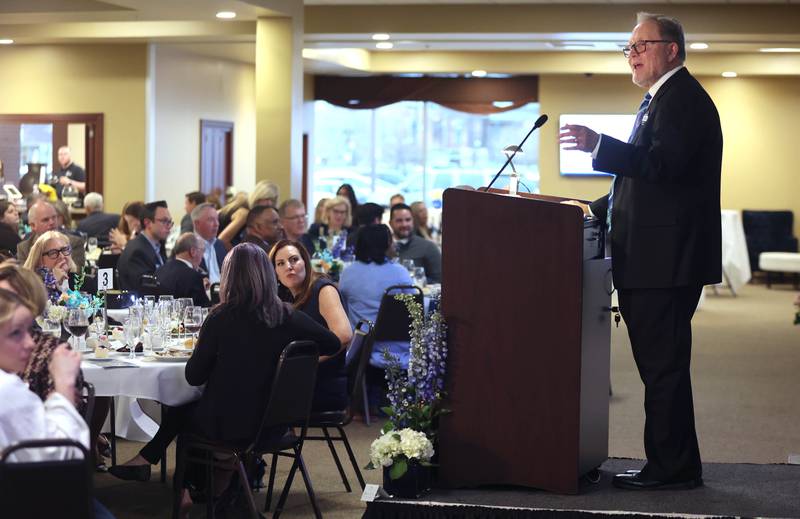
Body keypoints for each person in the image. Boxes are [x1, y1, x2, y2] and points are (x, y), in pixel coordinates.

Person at [559, 12, 721, 491]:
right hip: (654, 259)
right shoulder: (660, 100)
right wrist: (585, 207)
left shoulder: (682, 99)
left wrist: (599, 145)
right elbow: (640, 181)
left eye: (640, 46)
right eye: (627, 48)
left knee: (663, 368)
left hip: (664, 262)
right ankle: (674, 464)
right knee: (660, 367)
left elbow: (663, 166)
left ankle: (672, 469)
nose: (631, 54)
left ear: (671, 49)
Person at [109, 243, 339, 508]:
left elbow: (194, 376)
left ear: (229, 277)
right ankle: (213, 489)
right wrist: (287, 365)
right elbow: (332, 343)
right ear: (267, 275)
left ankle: (186, 489)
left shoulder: (220, 318)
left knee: (183, 409)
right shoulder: (288, 316)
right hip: (277, 422)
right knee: (192, 409)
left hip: (231, 427)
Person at [270, 240, 353, 411]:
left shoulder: (323, 290)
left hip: (323, 383)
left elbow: (344, 336)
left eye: (294, 260)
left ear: (305, 263)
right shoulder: (284, 296)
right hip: (301, 380)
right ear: (275, 272)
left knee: (258, 395)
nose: (289, 267)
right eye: (280, 263)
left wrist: (302, 365)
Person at [338, 224, 413, 411]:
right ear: (385, 244)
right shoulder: (400, 272)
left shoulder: (348, 273)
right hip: (399, 343)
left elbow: (344, 306)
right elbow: (412, 308)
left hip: (362, 345)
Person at [117, 201, 171, 291]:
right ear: (147, 223)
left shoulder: (158, 246)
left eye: (170, 222)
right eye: (164, 221)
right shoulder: (137, 251)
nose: (169, 226)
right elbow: (148, 289)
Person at [17, 201, 86, 272]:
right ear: (33, 226)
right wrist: (52, 279)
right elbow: (24, 278)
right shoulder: (24, 248)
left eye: (54, 217)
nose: (52, 222)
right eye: (45, 220)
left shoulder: (74, 242)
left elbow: (78, 276)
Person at [389, 203, 442, 284]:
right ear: (391, 223)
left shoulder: (428, 247)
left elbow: (440, 280)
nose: (404, 224)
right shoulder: (383, 248)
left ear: (413, 221)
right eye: (399, 221)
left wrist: (419, 281)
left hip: (419, 295)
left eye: (408, 220)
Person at [155, 233, 211, 307]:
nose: (202, 256)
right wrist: (207, 292)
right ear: (193, 251)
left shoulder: (160, 270)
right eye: (202, 250)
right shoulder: (193, 276)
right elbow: (203, 309)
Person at [22, 231, 78, 300]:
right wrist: (53, 282)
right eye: (53, 253)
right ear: (39, 260)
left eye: (64, 249)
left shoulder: (78, 280)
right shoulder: (31, 286)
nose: (62, 256)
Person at [191, 203, 226, 285]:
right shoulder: (189, 247)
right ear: (196, 223)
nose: (217, 224)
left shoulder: (219, 244)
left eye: (217, 219)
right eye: (211, 220)